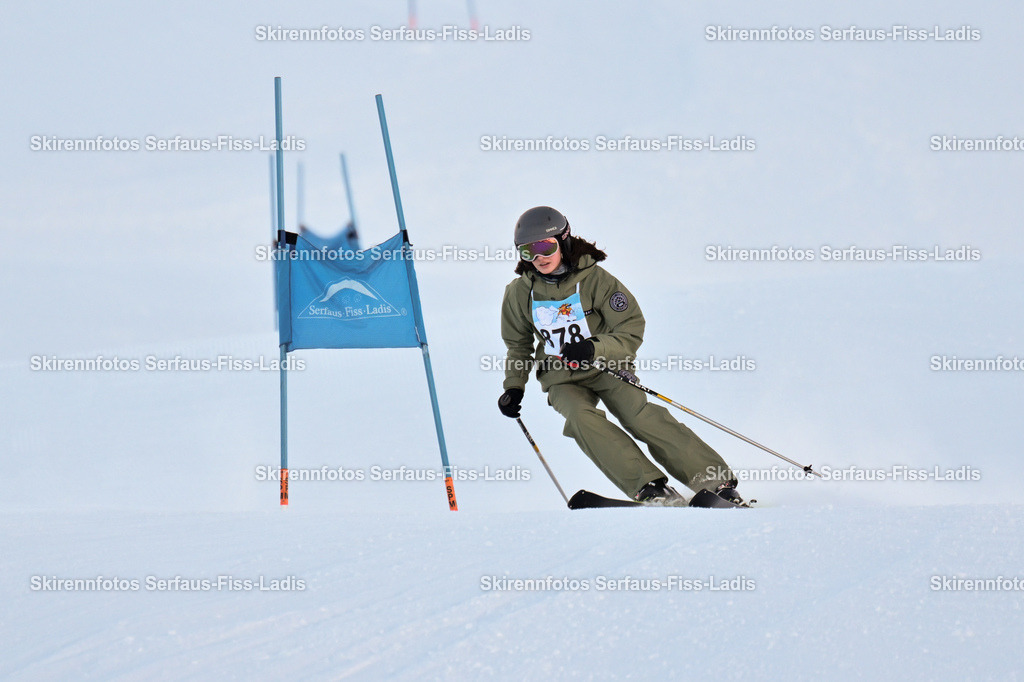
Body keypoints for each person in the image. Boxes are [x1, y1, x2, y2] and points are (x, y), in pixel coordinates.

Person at [497, 206, 745, 506]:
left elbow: (630, 328)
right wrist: (514, 386)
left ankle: (716, 482)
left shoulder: (596, 280)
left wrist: (594, 348)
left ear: (563, 241)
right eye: (528, 252)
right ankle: (648, 486)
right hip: (561, 377)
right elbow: (518, 345)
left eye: (545, 247)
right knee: (580, 419)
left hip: (606, 367)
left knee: (638, 416)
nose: (538, 257)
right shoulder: (519, 293)